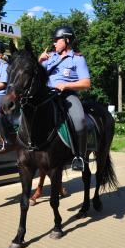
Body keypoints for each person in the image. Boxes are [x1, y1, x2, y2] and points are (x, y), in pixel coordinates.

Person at [38, 26, 91, 171]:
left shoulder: (78, 59)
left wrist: (66, 85)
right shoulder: (50, 57)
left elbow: (86, 83)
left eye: (57, 40)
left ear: (67, 40)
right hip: (48, 97)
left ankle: (79, 156)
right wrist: (40, 60)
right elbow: (35, 77)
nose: (54, 43)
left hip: (68, 96)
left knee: (79, 120)